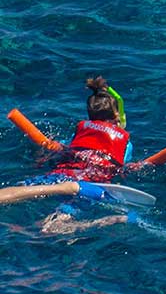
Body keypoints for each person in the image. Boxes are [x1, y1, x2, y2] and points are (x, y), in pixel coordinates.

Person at [0, 77, 136, 234]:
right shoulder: (126, 143)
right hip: (86, 183)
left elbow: (68, 149)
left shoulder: (81, 130)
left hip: (60, 174)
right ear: (117, 116)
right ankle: (112, 220)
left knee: (24, 189)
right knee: (59, 222)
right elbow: (120, 168)